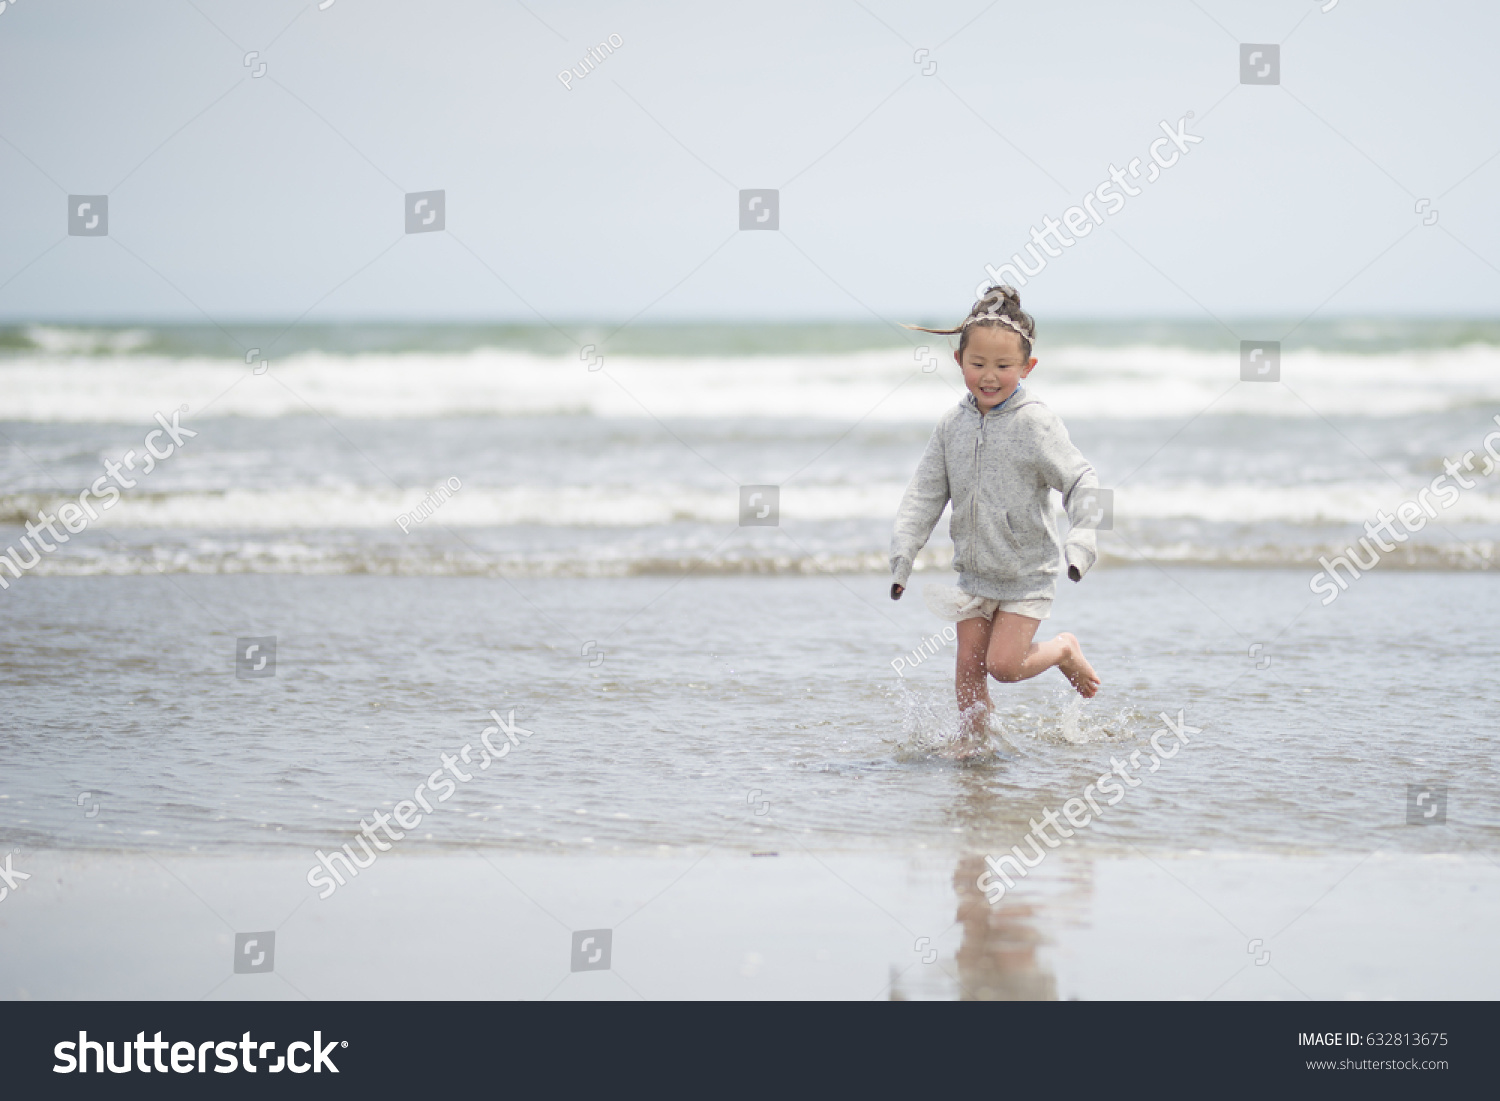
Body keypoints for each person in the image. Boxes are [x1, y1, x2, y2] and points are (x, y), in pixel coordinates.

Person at [890, 285, 1102, 742]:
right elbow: (925, 494)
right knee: (969, 672)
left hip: (1026, 572)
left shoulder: (1035, 424)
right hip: (974, 572)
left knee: (1002, 667)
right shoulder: (952, 425)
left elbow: (1083, 480)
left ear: (1028, 367)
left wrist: (1081, 542)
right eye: (978, 364)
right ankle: (974, 748)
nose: (989, 376)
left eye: (1004, 367)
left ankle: (1064, 649)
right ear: (958, 360)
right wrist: (903, 555)